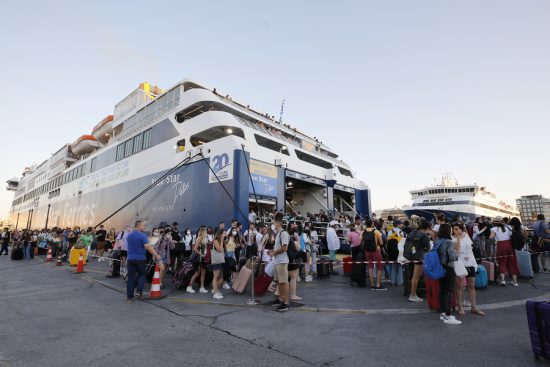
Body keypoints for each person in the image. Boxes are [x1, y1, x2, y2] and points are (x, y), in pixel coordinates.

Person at [452, 223, 485, 316]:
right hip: (459, 264)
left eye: (458, 229)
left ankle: (474, 307)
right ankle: (460, 307)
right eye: (454, 229)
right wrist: (458, 238)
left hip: (470, 262)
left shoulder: (466, 236)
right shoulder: (452, 239)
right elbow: (457, 251)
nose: (456, 231)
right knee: (459, 286)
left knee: (471, 285)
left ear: (462, 229)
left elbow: (470, 248)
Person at [126, 221, 162, 303]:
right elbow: (148, 247)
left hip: (130, 259)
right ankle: (139, 292)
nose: (145, 227)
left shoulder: (129, 236)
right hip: (140, 259)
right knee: (142, 274)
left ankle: (129, 297)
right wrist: (156, 255)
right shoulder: (142, 236)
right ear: (138, 226)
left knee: (131, 277)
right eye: (143, 225)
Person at [435, 224, 462, 325]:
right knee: (450, 291)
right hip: (449, 268)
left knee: (442, 291)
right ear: (447, 231)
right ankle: (448, 315)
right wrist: (457, 253)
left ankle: (443, 313)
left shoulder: (437, 241)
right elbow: (453, 257)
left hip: (440, 268)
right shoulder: (449, 242)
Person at [405, 219, 431, 302]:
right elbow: (428, 249)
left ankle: (414, 294)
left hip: (410, 256)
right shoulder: (425, 236)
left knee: (414, 276)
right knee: (416, 277)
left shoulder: (412, 232)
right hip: (419, 257)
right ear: (427, 228)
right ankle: (412, 295)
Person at [269, 212, 291, 312]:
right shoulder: (278, 234)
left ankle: (286, 303)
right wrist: (273, 252)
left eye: (274, 222)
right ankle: (280, 299)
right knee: (279, 282)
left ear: (278, 223)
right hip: (278, 261)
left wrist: (274, 252)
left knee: (284, 282)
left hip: (282, 261)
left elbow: (284, 248)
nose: (273, 223)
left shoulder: (284, 233)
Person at [489, 216, 519, 286]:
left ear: (494, 222)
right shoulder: (508, 227)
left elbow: (491, 237)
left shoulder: (494, 228)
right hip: (509, 245)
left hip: (501, 245)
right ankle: (515, 282)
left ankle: (503, 280)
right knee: (512, 262)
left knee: (502, 262)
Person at [363, 219, 387, 291]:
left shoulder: (363, 232)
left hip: (367, 251)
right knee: (380, 267)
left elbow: (360, 241)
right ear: (372, 224)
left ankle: (372, 285)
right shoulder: (376, 231)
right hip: (376, 250)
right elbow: (382, 243)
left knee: (370, 267)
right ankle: (378, 285)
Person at [187, 228, 210, 294]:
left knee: (203, 273)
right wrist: (202, 255)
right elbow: (195, 249)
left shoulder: (205, 239)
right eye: (205, 232)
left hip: (203, 258)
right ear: (202, 232)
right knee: (197, 273)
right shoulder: (199, 238)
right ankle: (189, 286)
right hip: (198, 258)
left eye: (206, 232)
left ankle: (202, 287)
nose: (206, 233)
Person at [210, 230, 226, 299]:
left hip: (220, 260)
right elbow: (219, 250)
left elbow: (223, 249)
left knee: (220, 277)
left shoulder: (220, 240)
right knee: (215, 277)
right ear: (220, 234)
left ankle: (216, 290)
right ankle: (215, 293)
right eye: (224, 233)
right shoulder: (216, 240)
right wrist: (222, 241)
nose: (225, 235)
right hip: (216, 261)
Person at [288, 227, 303, 300]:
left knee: (285, 278)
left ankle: (278, 292)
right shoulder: (294, 241)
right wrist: (298, 240)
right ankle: (293, 295)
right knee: (293, 278)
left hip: (286, 260)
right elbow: (299, 248)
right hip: (293, 260)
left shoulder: (287, 239)